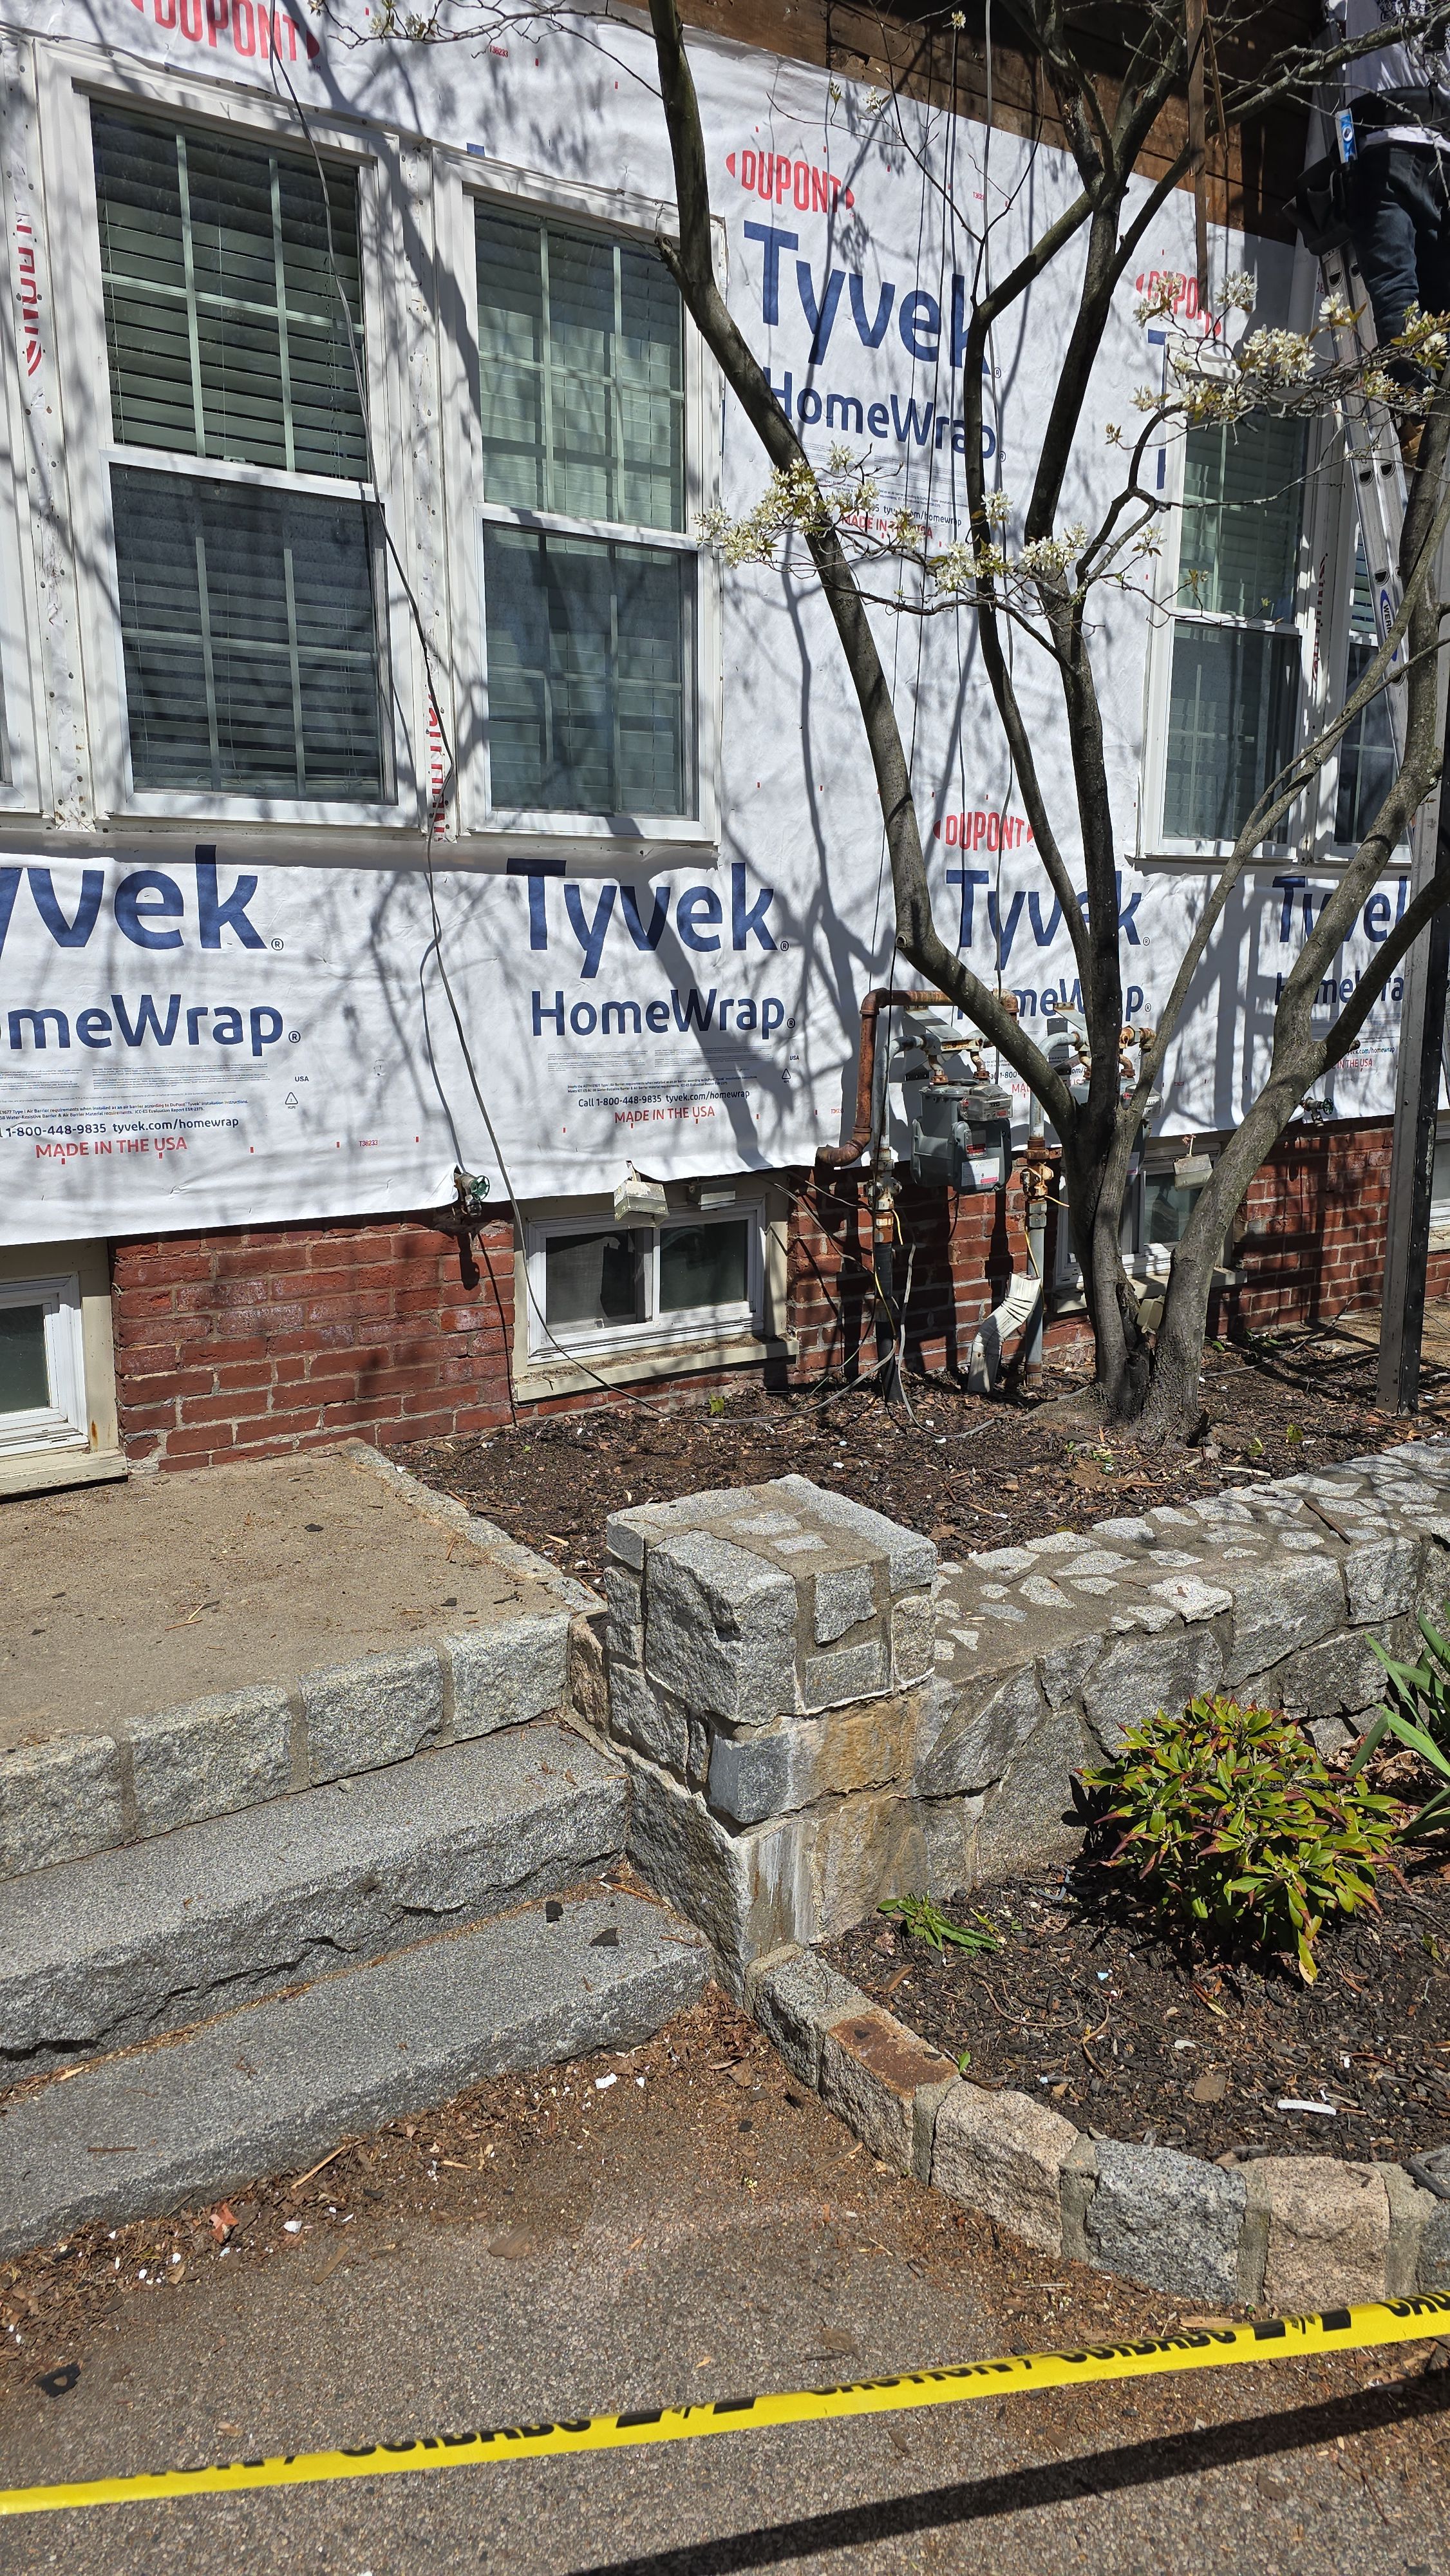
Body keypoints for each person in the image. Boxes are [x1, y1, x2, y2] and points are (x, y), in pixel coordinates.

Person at [1330, 0, 1450, 460]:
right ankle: (1422, 416)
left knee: (1405, 289)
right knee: (1427, 297)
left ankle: (1420, 414)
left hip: (1400, 146)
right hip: (1415, 144)